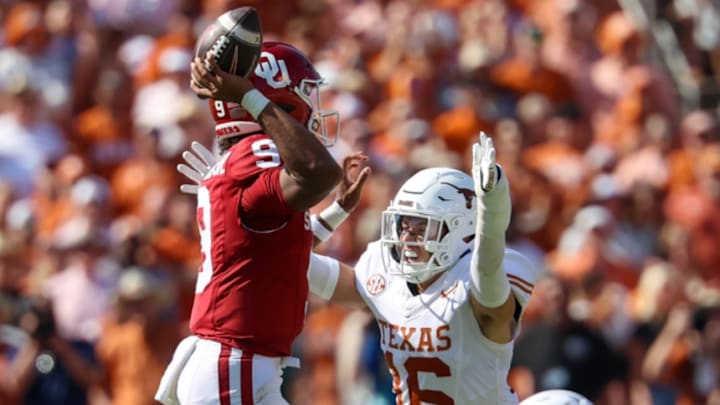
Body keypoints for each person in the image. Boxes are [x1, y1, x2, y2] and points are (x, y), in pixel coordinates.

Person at [178, 132, 537, 403]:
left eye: (421, 227)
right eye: (404, 225)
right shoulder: (386, 279)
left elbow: (487, 276)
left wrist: (493, 216)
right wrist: (233, 220)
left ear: (461, 229)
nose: (408, 238)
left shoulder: (480, 285)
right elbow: (289, 261)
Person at [155, 41, 346, 405]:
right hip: (236, 363)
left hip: (242, 363)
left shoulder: (241, 161)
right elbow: (320, 172)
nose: (314, 105)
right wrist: (250, 96)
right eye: (305, 93)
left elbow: (278, 255)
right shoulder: (257, 153)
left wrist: (338, 212)